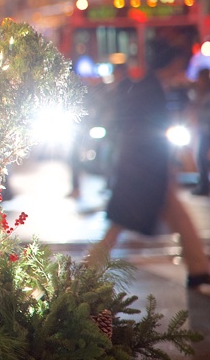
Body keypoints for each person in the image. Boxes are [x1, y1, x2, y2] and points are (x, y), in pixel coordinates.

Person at [88, 41, 210, 294]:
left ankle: (199, 268)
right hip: (143, 171)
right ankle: (88, 270)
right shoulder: (150, 90)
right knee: (118, 223)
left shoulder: (148, 87)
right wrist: (165, 165)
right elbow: (146, 133)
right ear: (174, 64)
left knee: (173, 217)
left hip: (142, 169)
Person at [190, 68, 210, 196]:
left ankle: (204, 185)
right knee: (200, 156)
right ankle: (203, 184)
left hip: (206, 129)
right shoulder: (198, 93)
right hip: (204, 130)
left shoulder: (205, 94)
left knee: (201, 156)